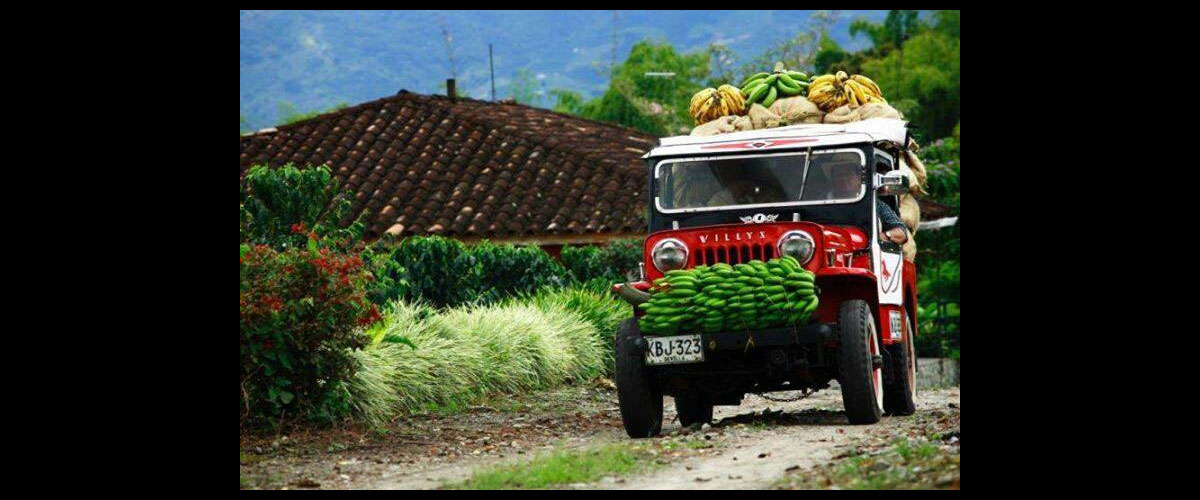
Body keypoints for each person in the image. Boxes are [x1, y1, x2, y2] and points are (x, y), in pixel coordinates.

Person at [823, 161, 909, 245]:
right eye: (839, 175)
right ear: (832, 180)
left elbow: (901, 233)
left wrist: (880, 237)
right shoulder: (821, 203)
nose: (843, 179)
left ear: (859, 179)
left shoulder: (875, 204)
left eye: (848, 174)